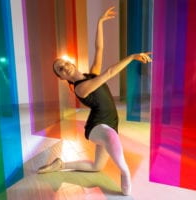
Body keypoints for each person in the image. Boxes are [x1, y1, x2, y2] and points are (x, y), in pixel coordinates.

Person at [37, 6, 152, 196]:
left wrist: (99, 23)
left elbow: (99, 48)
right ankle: (124, 172)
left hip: (109, 123)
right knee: (111, 138)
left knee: (96, 166)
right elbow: (110, 72)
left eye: (64, 63)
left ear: (71, 62)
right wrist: (131, 57)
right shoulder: (80, 88)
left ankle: (61, 164)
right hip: (98, 126)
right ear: (61, 77)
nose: (64, 67)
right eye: (60, 69)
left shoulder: (91, 74)